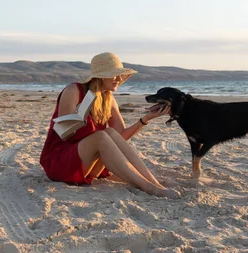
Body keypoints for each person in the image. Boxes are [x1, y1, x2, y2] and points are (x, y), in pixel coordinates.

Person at [40, 52, 179, 198]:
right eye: (114, 75)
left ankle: (154, 183)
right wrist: (85, 107)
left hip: (88, 164)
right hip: (61, 162)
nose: (119, 79)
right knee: (101, 135)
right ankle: (150, 189)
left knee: (110, 133)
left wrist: (145, 119)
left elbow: (120, 136)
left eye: (120, 75)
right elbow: (64, 133)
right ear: (101, 76)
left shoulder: (108, 98)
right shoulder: (73, 90)